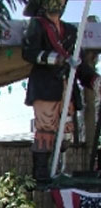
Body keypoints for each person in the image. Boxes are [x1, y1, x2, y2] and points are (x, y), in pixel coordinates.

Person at [22, 0, 101, 180]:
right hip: (46, 86)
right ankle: (41, 172)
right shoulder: (36, 25)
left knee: (65, 130)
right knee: (46, 127)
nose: (56, 4)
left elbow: (79, 66)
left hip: (67, 86)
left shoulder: (72, 32)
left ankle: (59, 168)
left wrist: (95, 80)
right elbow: (29, 52)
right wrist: (56, 58)